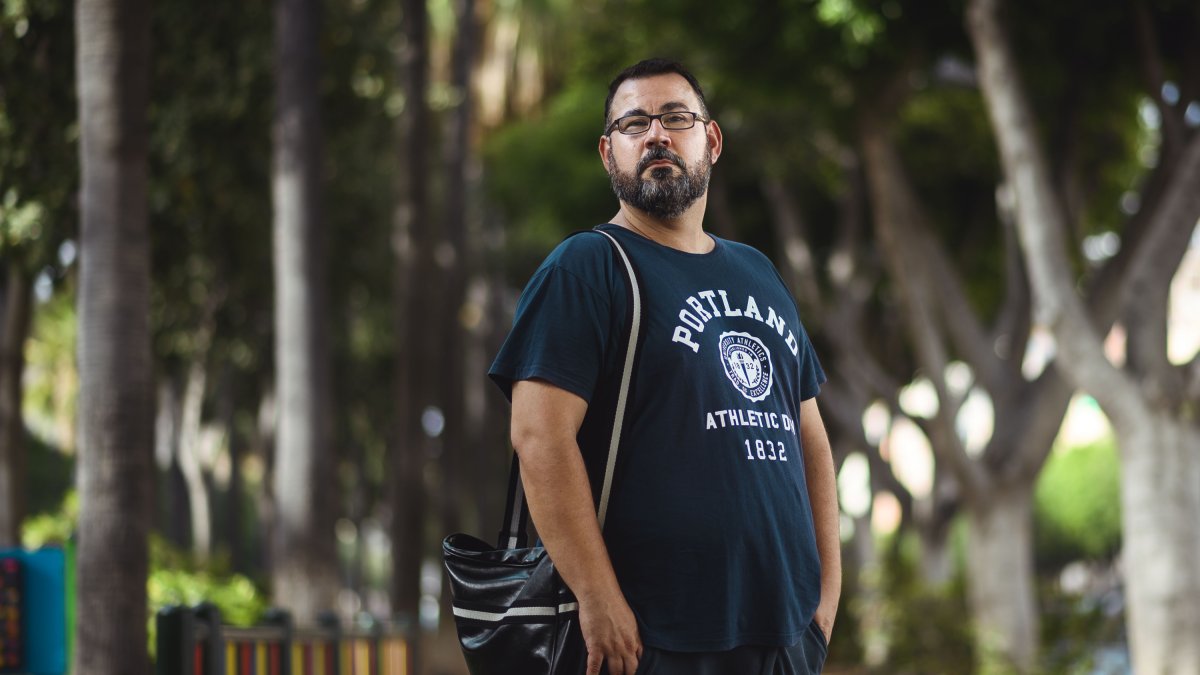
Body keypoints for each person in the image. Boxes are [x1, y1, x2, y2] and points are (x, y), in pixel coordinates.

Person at [488, 58, 841, 675]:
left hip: (784, 635)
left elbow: (809, 438)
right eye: (633, 124)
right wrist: (598, 598)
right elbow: (539, 436)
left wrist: (824, 602)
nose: (655, 134)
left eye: (676, 118)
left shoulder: (759, 272)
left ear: (712, 140)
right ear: (608, 153)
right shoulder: (585, 267)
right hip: (650, 639)